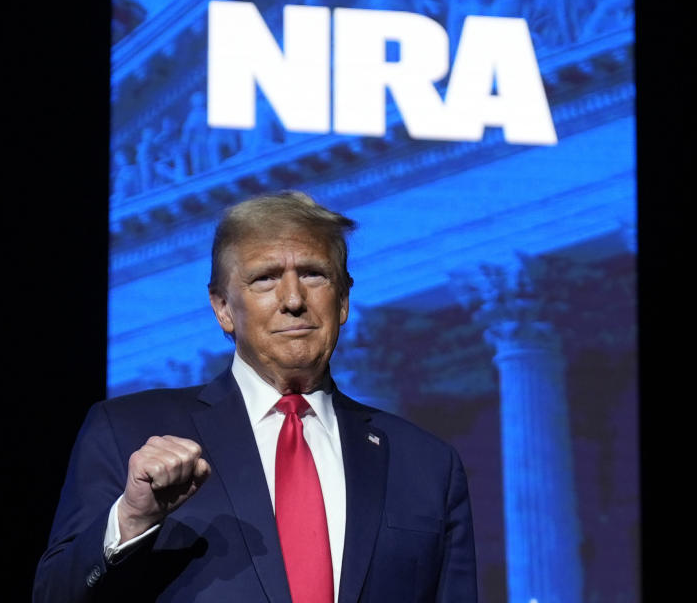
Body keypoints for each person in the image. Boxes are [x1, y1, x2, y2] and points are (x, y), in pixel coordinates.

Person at [33, 192, 477, 602]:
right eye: (265, 279)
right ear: (223, 308)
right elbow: (55, 595)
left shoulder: (426, 464)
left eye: (313, 274)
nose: (293, 299)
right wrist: (131, 518)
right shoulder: (126, 431)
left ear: (342, 299)